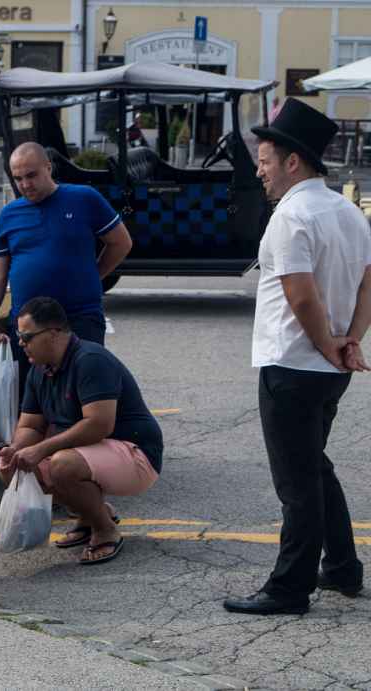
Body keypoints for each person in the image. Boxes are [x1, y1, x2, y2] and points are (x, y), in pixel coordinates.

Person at [223, 98, 371, 616]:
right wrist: (350, 338)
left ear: (292, 161)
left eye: (264, 161)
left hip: (292, 364)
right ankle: (343, 569)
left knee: (297, 485)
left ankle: (289, 588)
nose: (259, 171)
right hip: (330, 368)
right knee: (314, 467)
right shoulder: (347, 210)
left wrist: (330, 342)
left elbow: (301, 295)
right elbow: (368, 281)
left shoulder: (292, 215)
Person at [0, 296, 163, 565]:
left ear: (53, 333)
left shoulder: (91, 359)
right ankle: (91, 514)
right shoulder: (40, 370)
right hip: (95, 454)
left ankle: (105, 530)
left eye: (27, 337)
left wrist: (41, 449)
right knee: (19, 467)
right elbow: (30, 425)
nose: (20, 343)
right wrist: (16, 452)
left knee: (62, 465)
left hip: (136, 455)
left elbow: (99, 424)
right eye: (19, 336)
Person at [0, 142, 133, 359]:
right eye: (18, 178)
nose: (25, 184)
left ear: (48, 168)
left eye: (31, 175)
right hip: (27, 326)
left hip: (79, 319)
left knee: (81, 386)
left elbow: (121, 243)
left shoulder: (84, 198)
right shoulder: (9, 214)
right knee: (30, 391)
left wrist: (93, 276)